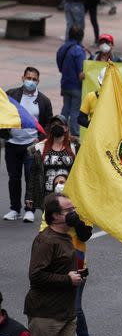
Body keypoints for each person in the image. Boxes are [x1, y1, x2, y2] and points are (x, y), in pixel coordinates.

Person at [24, 193, 85, 336]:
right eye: (69, 210)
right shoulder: (46, 241)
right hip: (46, 316)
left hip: (67, 314)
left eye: (73, 209)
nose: (74, 213)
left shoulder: (66, 236)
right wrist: (68, 279)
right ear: (56, 216)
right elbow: (36, 276)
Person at [2, 67, 52, 222]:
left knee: (31, 178)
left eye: (34, 79)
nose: (30, 81)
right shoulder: (11, 95)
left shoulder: (44, 101)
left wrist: (41, 139)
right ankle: (14, 209)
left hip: (31, 145)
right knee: (13, 178)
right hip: (12, 143)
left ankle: (29, 209)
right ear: (22, 77)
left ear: (38, 81)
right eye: (28, 78)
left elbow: (48, 125)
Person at [28, 115, 79, 213]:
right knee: (49, 225)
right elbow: (33, 173)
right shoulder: (40, 148)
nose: (57, 126)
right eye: (54, 124)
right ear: (50, 128)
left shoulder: (75, 147)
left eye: (60, 124)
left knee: (67, 225)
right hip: (48, 197)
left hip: (69, 196)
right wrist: (29, 196)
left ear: (66, 128)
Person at [55, 26, 87, 138]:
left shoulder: (63, 48)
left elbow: (59, 65)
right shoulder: (79, 50)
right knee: (75, 111)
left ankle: (59, 129)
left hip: (65, 83)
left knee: (66, 108)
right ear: (81, 36)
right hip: (76, 86)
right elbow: (81, 70)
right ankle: (75, 133)